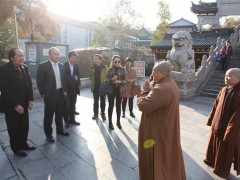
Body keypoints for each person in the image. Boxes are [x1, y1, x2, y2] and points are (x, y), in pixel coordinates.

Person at [137, 61, 186, 180]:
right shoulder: (170, 83)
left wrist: (144, 92)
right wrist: (150, 90)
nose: (152, 74)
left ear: (162, 72)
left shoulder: (162, 88)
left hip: (157, 131)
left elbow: (143, 105)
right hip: (164, 126)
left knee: (158, 156)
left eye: (154, 71)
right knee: (167, 154)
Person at [204, 68, 240, 178]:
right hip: (217, 124)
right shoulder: (224, 89)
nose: (226, 78)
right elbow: (216, 106)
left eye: (229, 76)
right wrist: (211, 120)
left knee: (225, 150)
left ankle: (222, 170)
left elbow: (238, 116)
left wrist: (231, 131)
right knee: (213, 144)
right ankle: (211, 161)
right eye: (225, 75)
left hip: (228, 128)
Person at [0, 48, 35, 157]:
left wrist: (30, 99)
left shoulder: (24, 67)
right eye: (19, 56)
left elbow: (28, 84)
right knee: (14, 127)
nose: (22, 58)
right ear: (11, 57)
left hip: (24, 103)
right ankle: (16, 148)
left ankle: (24, 143)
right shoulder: (4, 70)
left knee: (24, 125)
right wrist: (15, 105)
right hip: (11, 106)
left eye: (23, 56)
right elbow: (5, 90)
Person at [36, 47, 69, 143]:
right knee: (49, 116)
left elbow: (64, 80)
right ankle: (49, 134)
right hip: (50, 94)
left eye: (58, 54)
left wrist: (65, 90)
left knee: (59, 114)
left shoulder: (62, 66)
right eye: (55, 54)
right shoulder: (43, 66)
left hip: (60, 93)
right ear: (49, 55)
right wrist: (43, 94)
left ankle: (60, 130)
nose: (57, 56)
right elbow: (39, 81)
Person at [105, 55, 127, 130]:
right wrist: (111, 79)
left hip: (120, 90)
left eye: (119, 61)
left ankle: (118, 122)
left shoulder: (123, 69)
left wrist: (119, 81)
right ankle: (110, 122)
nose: (117, 63)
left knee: (118, 106)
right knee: (110, 106)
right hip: (111, 90)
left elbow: (126, 80)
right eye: (115, 61)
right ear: (112, 62)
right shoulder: (109, 69)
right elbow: (106, 80)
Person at [63, 50, 80, 127]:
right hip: (67, 89)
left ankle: (72, 119)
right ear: (68, 58)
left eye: (75, 58)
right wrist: (64, 90)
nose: (74, 60)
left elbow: (78, 76)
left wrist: (77, 86)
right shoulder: (63, 65)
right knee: (66, 106)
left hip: (74, 88)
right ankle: (66, 121)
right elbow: (63, 78)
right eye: (73, 58)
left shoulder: (76, 65)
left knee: (73, 104)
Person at [89, 54, 108, 120]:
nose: (95, 60)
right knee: (95, 101)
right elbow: (90, 76)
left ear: (100, 60)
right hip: (95, 87)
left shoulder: (104, 67)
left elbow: (107, 76)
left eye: (96, 58)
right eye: (94, 58)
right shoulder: (92, 67)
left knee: (103, 101)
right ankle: (95, 114)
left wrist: (105, 82)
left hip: (103, 87)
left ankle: (103, 113)